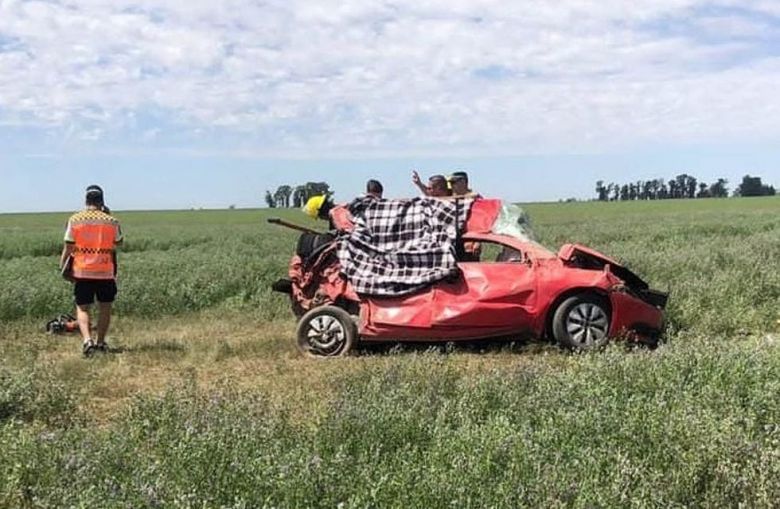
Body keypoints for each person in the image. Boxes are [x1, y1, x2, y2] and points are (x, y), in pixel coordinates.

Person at [60, 185, 123, 357]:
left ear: (86, 200)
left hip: (82, 271)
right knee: (105, 307)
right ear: (102, 201)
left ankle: (87, 341)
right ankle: (101, 343)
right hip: (105, 271)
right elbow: (118, 243)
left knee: (82, 308)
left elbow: (68, 245)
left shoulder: (75, 220)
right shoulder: (112, 221)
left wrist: (62, 263)